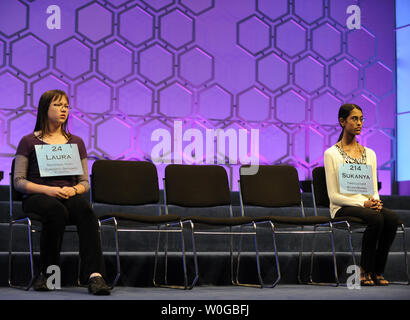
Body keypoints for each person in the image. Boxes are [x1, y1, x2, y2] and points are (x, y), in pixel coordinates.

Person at [13, 89, 110, 295]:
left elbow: (85, 182)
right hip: (37, 196)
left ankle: (94, 276)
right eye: (57, 105)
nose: (63, 109)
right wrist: (48, 190)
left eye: (66, 105)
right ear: (44, 109)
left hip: (68, 194)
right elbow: (19, 181)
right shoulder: (28, 141)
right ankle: (50, 276)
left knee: (85, 209)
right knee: (55, 211)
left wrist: (74, 189)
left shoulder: (76, 142)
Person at [324, 103, 398, 286]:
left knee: (392, 218)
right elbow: (333, 196)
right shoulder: (332, 154)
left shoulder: (370, 153)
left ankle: (377, 270)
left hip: (366, 206)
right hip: (343, 207)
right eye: (354, 119)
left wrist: (376, 202)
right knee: (376, 219)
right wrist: (363, 204)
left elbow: (373, 188)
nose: (359, 123)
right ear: (342, 121)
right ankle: (364, 270)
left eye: (361, 119)